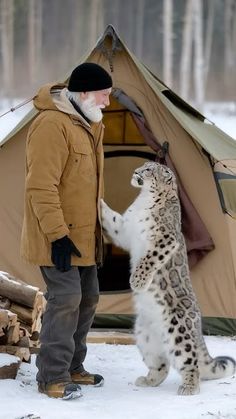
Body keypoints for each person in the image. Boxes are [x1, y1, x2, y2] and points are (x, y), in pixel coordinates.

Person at [20, 62, 112, 399]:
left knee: (88, 298)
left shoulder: (89, 123)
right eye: (104, 95)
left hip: (84, 235)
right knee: (66, 299)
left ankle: (74, 366)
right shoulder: (51, 124)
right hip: (55, 235)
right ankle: (51, 377)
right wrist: (58, 235)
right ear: (85, 92)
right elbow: (41, 187)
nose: (107, 102)